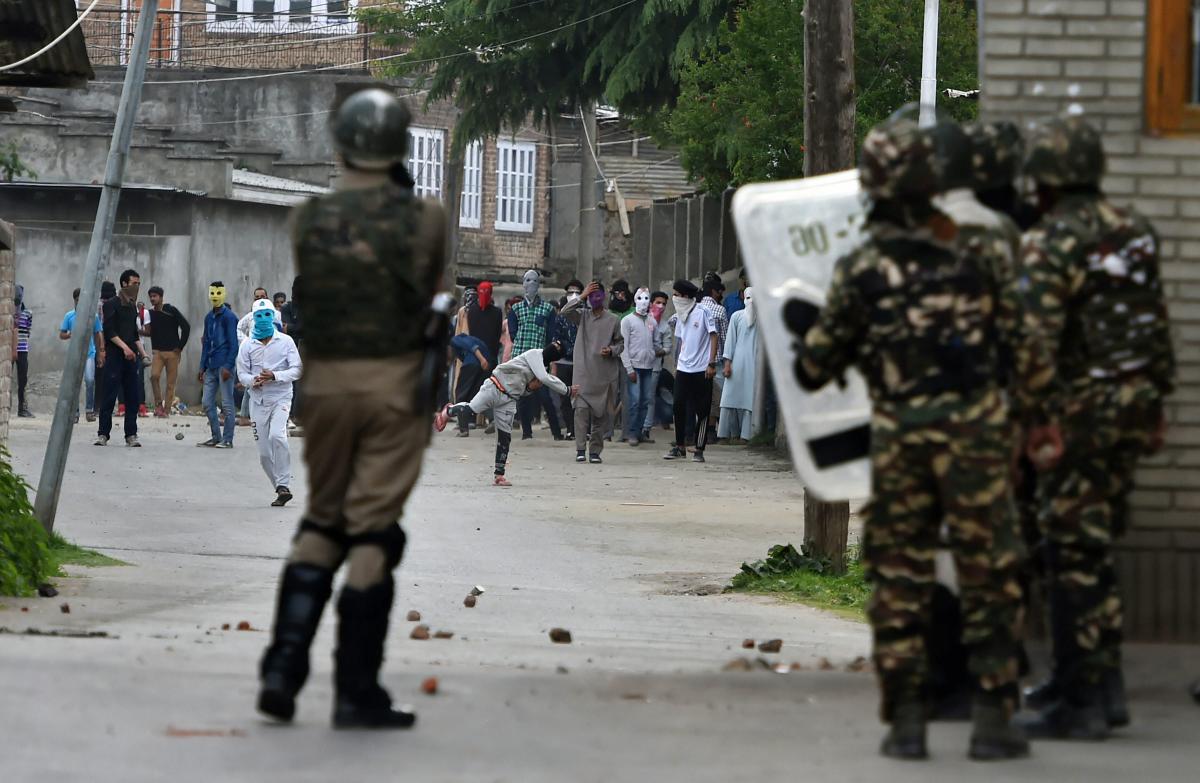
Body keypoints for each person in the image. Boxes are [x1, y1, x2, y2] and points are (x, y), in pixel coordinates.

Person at [789, 116, 1059, 761]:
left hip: (902, 446)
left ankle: (908, 720)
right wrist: (1039, 422)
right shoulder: (988, 251)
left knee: (901, 579)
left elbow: (815, 369)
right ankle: (994, 720)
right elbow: (1028, 348)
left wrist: (810, 331)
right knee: (990, 575)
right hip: (979, 441)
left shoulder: (862, 267)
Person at [257, 88, 448, 731]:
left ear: (339, 146)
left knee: (323, 519)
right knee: (373, 532)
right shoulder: (426, 219)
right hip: (392, 387)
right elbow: (433, 303)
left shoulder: (306, 219)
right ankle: (354, 690)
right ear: (399, 148)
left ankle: (282, 669)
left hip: (326, 388)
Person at [1016, 115, 1175, 741]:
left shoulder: (1053, 240)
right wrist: (1156, 404)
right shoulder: (1135, 232)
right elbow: (1153, 324)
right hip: (1133, 407)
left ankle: (1078, 702)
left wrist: (1036, 420)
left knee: (1069, 551)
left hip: (1082, 412)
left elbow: (1036, 342)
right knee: (1097, 540)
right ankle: (1101, 687)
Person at [436, 344, 570, 485]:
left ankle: (499, 475)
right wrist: (567, 390)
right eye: (553, 346)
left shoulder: (543, 370)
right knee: (470, 410)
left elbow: (523, 390)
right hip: (494, 386)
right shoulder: (534, 354)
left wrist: (530, 389)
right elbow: (545, 378)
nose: (552, 349)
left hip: (509, 399)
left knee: (505, 437)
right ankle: (448, 411)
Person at [237, 298, 303, 507]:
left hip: (281, 397)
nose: (263, 320)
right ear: (253, 318)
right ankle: (280, 488)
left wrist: (275, 375)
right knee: (265, 453)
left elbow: (297, 369)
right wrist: (252, 381)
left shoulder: (285, 342)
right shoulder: (247, 345)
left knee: (278, 436)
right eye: (259, 316)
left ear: (273, 317)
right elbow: (242, 373)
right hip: (258, 401)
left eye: (267, 315)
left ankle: (284, 483)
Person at [560, 281, 622, 464]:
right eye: (591, 295)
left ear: (604, 297)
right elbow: (564, 311)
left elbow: (621, 344)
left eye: (598, 295)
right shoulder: (582, 316)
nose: (595, 298)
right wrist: (581, 296)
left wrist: (611, 350)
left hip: (604, 375)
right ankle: (580, 448)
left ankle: (595, 451)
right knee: (580, 411)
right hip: (583, 373)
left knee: (600, 416)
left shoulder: (613, 320)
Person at [665, 280, 718, 463]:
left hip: (701, 368)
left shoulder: (703, 311)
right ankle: (679, 445)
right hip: (683, 368)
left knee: (702, 409)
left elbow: (713, 335)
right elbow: (680, 340)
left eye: (677, 295)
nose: (675, 298)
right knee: (678, 405)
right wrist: (677, 362)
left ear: (686, 296)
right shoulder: (681, 314)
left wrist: (711, 363)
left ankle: (699, 448)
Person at [509, 269, 562, 440]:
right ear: (523, 283)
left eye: (534, 281)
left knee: (545, 396)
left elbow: (551, 335)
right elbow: (512, 333)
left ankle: (556, 432)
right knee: (523, 397)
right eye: (527, 280)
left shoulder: (547, 310)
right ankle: (527, 433)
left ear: (539, 284)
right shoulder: (515, 309)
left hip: (539, 360)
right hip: (520, 359)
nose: (531, 284)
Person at [95, 269, 146, 447]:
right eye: (134, 283)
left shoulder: (132, 307)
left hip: (131, 358)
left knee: (133, 396)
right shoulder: (111, 305)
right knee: (109, 395)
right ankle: (103, 434)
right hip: (115, 356)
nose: (137, 287)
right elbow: (109, 332)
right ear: (124, 284)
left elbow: (134, 334)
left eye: (139, 284)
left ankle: (131, 435)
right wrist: (124, 348)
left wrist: (143, 353)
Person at [198, 281, 239, 448]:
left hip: (224, 366)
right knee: (207, 403)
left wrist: (228, 366)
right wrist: (202, 367)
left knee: (228, 405)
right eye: (212, 293)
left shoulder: (230, 317)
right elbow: (206, 343)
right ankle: (216, 437)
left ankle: (227, 440)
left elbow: (234, 344)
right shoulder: (208, 317)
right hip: (211, 366)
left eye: (217, 293)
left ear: (223, 294)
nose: (215, 297)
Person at [718, 286, 758, 444]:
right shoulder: (736, 316)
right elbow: (730, 342)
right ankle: (725, 434)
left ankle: (745, 436)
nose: (751, 302)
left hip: (754, 364)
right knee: (728, 398)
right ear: (743, 299)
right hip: (736, 362)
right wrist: (727, 363)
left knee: (748, 400)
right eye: (748, 298)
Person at [143, 285, 190, 418]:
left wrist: (180, 346)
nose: (152, 299)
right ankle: (158, 405)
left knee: (171, 383)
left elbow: (186, 327)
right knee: (154, 376)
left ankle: (167, 410)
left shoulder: (171, 310)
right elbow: (148, 330)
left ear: (161, 297)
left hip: (173, 353)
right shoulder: (150, 313)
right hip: (158, 351)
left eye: (155, 296)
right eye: (151, 296)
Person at [619, 288, 658, 446]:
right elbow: (623, 346)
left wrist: (654, 353)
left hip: (648, 366)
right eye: (640, 298)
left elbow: (656, 343)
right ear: (635, 300)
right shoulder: (627, 321)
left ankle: (641, 431)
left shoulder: (652, 321)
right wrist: (629, 368)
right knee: (634, 400)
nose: (644, 301)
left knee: (645, 400)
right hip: (634, 366)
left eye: (647, 298)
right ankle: (632, 433)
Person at [59, 288, 104, 423]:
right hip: (74, 354)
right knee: (74, 384)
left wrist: (100, 351)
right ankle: (75, 412)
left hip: (89, 353)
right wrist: (70, 334)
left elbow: (98, 333)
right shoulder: (69, 316)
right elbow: (62, 334)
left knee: (90, 380)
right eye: (78, 300)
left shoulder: (93, 316)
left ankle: (89, 410)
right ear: (75, 300)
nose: (81, 303)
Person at [698, 272, 729, 443]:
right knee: (717, 397)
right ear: (714, 292)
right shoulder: (719, 310)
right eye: (719, 291)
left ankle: (695, 431)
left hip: (696, 361)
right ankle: (710, 430)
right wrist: (727, 360)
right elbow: (723, 337)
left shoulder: (695, 308)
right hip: (715, 361)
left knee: (699, 396)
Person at [554, 280, 583, 439]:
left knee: (581, 397)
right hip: (564, 362)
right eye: (570, 292)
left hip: (581, 363)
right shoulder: (561, 316)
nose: (573, 295)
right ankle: (570, 429)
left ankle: (582, 429)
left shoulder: (586, 314)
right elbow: (556, 339)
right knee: (564, 397)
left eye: (577, 292)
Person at [448, 332, 492, 437]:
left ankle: (463, 428)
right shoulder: (472, 341)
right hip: (484, 366)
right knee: (477, 396)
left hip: (475, 363)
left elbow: (472, 347)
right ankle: (493, 418)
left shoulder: (455, 340)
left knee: (460, 394)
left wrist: (482, 360)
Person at [642, 291, 672, 441]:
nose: (660, 306)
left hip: (654, 367)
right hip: (637, 365)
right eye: (658, 302)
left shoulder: (665, 327)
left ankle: (646, 428)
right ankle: (632, 428)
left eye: (664, 303)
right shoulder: (641, 320)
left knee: (649, 397)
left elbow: (667, 348)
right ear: (650, 303)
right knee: (635, 397)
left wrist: (655, 351)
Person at [12, 284, 32, 418]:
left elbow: (28, 331)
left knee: (23, 380)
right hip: (9, 350)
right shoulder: (7, 312)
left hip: (23, 349)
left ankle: (22, 408)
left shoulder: (28, 313)